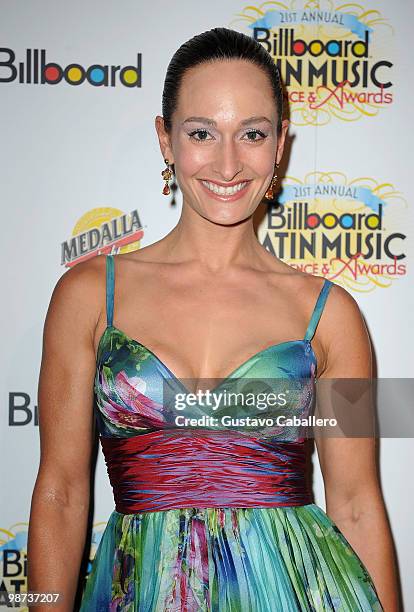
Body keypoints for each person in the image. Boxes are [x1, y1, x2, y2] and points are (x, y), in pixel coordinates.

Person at [27, 27, 399, 611]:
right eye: (202, 133)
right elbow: (62, 494)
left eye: (252, 134)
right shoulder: (89, 295)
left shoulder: (331, 315)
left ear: (280, 145)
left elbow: (354, 502)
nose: (228, 163)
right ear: (166, 140)